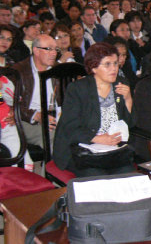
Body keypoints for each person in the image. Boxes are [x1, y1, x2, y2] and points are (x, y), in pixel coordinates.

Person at [53, 42, 134, 177]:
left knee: (127, 175)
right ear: (94, 67)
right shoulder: (78, 89)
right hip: (80, 148)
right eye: (107, 64)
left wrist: (128, 99)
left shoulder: (121, 84)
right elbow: (69, 127)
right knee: (97, 177)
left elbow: (130, 124)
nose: (113, 68)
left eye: (115, 63)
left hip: (111, 149)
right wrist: (97, 138)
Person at [12, 34, 59, 149]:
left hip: (53, 117)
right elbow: (12, 104)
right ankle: (53, 167)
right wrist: (37, 116)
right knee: (56, 137)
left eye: (55, 49)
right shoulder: (18, 71)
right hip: (26, 120)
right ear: (36, 51)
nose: (54, 53)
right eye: (49, 49)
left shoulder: (58, 69)